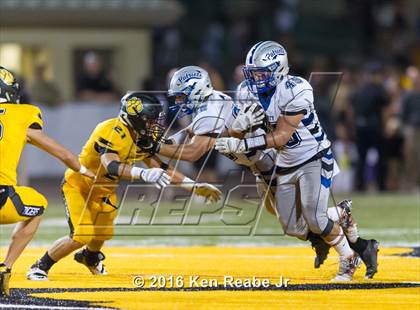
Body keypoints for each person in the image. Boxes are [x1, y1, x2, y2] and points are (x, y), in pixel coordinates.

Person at [154, 66, 377, 276]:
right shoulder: (213, 102)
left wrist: (155, 146)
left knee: (299, 223)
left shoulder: (210, 110)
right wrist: (169, 139)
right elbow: (194, 130)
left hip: (273, 163)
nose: (179, 103)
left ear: (197, 91)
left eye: (182, 96)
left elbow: (194, 152)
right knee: (289, 220)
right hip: (261, 165)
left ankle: (344, 237)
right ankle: (337, 220)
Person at [215, 41, 379, 281]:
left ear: (279, 69)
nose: (256, 79)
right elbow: (238, 135)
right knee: (292, 226)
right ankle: (340, 213)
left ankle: (348, 259)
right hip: (285, 161)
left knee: (314, 217)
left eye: (262, 73)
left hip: (312, 156)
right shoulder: (246, 91)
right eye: (253, 74)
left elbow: (281, 136)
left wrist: (244, 143)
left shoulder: (295, 88)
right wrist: (237, 130)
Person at [27, 92, 221, 281]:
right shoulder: (111, 129)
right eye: (150, 120)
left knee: (103, 234)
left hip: (104, 190)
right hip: (79, 186)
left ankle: (90, 258)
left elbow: (162, 168)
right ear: (136, 118)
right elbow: (110, 164)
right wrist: (142, 173)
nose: (155, 125)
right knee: (82, 235)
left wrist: (193, 186)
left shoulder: (141, 136)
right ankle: (40, 266)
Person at [0, 66, 95, 296]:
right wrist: (82, 169)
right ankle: (5, 268)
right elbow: (62, 154)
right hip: (2, 199)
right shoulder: (22, 114)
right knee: (38, 206)